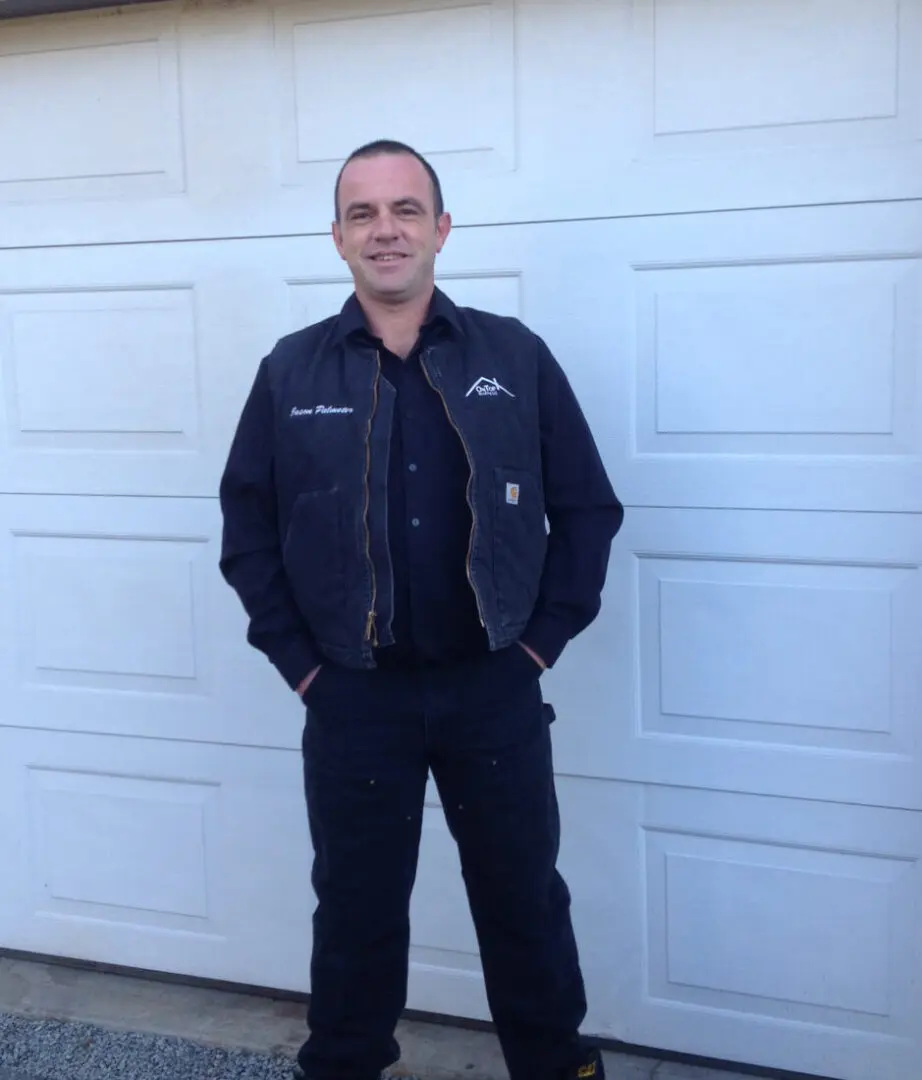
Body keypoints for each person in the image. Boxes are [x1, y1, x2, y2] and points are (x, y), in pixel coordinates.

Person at [219, 138, 624, 1080]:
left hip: (495, 690)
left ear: (441, 229)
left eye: (406, 210)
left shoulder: (514, 358)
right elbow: (248, 531)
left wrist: (539, 647)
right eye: (363, 214)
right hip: (355, 699)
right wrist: (305, 667)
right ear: (337, 238)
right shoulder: (291, 372)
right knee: (356, 916)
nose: (385, 230)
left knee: (524, 906)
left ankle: (555, 1066)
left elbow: (589, 510)